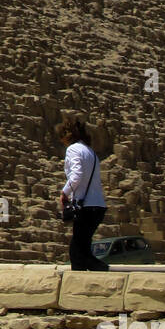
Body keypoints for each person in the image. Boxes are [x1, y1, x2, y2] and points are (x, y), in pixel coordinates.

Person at [58, 115, 109, 271]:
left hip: (85, 206)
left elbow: (76, 175)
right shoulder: (90, 152)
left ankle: (86, 281)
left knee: (77, 252)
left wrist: (64, 192)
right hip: (98, 206)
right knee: (83, 249)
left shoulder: (73, 149)